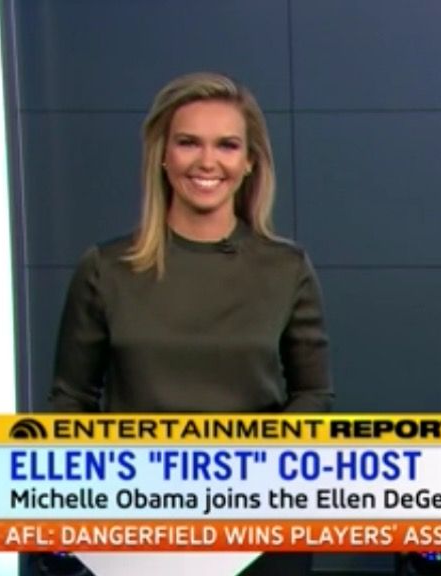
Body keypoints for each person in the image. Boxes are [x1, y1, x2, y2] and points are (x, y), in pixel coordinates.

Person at [48, 72, 331, 575]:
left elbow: (313, 395)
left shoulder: (286, 268)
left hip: (259, 524)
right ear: (163, 155)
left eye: (227, 145)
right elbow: (70, 400)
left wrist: (248, 476)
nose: (207, 161)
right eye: (188, 143)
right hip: (137, 520)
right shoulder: (106, 269)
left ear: (249, 161)